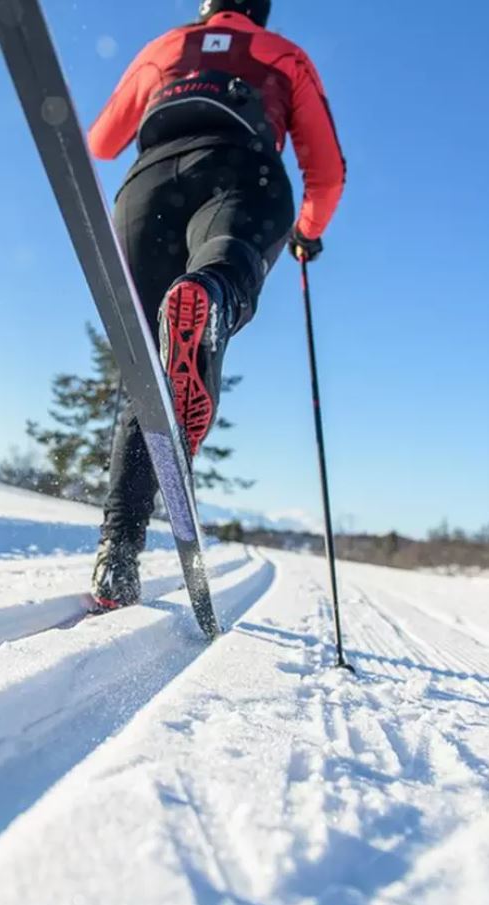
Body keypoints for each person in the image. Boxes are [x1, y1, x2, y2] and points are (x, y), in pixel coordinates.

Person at [87, 0, 347, 609]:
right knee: (219, 275)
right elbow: (327, 173)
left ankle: (116, 555)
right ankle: (213, 296)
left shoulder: (165, 46)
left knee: (146, 374)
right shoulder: (285, 55)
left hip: (146, 186)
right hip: (241, 172)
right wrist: (308, 233)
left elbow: (102, 142)